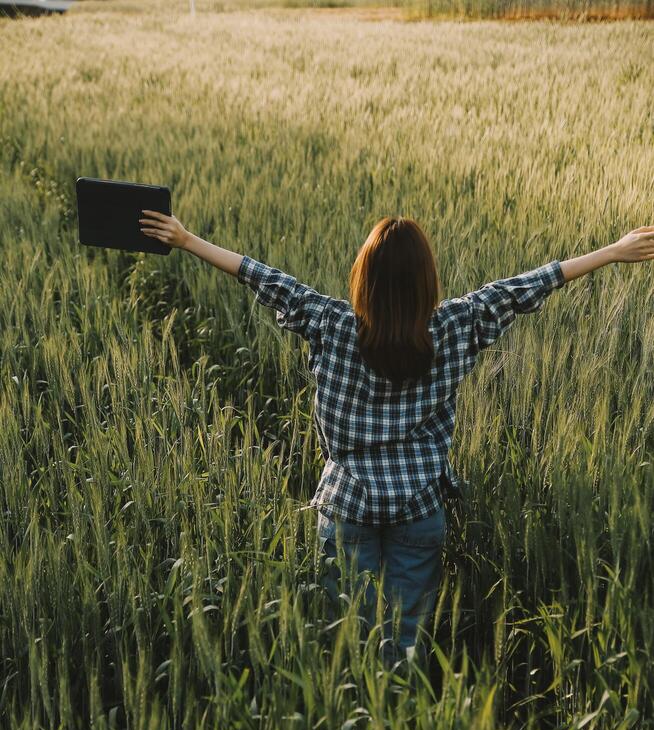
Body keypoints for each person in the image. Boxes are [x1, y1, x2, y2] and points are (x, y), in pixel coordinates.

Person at [139, 209, 654, 667]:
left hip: (347, 507)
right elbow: (526, 286)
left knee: (348, 640)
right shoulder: (455, 323)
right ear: (428, 281)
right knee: (405, 642)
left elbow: (263, 278)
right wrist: (613, 251)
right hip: (419, 505)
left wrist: (187, 240)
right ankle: (403, 719)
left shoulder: (331, 322)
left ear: (364, 279)